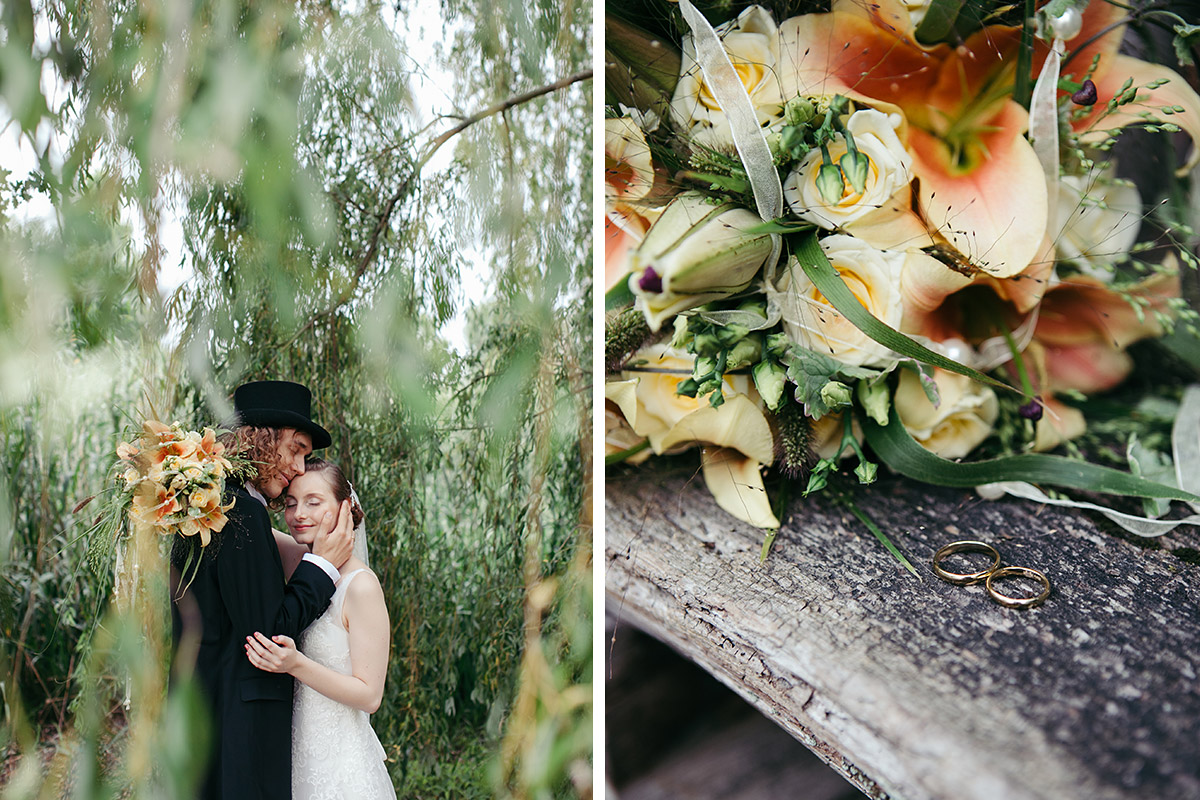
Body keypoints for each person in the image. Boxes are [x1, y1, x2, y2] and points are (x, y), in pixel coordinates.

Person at [170, 380, 356, 800]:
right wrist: (323, 566)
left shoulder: (211, 503)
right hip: (242, 728)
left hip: (209, 710)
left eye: (306, 456)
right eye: (296, 449)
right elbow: (269, 633)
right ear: (261, 438)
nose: (300, 467)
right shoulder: (241, 511)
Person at [245, 459, 395, 800]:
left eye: (314, 502)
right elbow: (246, 521)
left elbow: (370, 696)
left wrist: (295, 664)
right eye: (291, 503)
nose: (299, 514)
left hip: (340, 763)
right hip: (291, 754)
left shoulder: (361, 587)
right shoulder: (302, 562)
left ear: (346, 508)